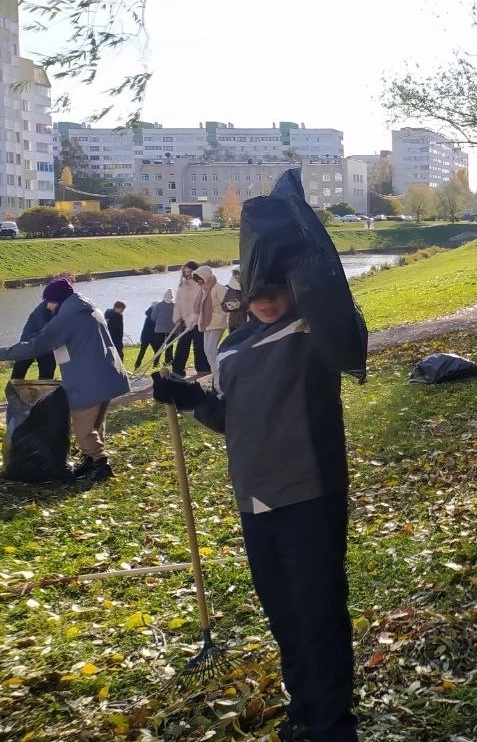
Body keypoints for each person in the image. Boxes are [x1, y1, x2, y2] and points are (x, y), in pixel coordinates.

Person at [153, 279, 359, 742]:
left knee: (318, 611)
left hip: (309, 494)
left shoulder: (313, 332)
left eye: (276, 289)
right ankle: (304, 711)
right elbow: (229, 416)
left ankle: (333, 727)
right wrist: (191, 398)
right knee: (283, 612)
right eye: (257, 291)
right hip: (255, 498)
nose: (266, 300)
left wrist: (314, 287)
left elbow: (348, 332)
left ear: (295, 287)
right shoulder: (231, 347)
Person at [0, 277, 130, 483]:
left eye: (50, 301)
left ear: (60, 300)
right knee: (95, 425)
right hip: (107, 374)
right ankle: (90, 462)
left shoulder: (67, 318)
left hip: (88, 380)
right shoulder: (88, 309)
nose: (48, 307)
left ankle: (100, 466)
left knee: (83, 429)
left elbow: (36, 346)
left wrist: (3, 353)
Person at [171, 262, 211, 377]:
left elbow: (201, 305)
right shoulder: (182, 286)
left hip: (198, 321)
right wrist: (178, 317)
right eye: (185, 272)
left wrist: (194, 320)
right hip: (184, 322)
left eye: (189, 272)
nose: (187, 274)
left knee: (199, 345)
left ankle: (203, 368)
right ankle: (177, 370)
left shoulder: (200, 286)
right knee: (182, 345)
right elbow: (178, 303)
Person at [193, 265, 229, 384]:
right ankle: (216, 373)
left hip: (217, 322)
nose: (199, 282)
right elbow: (199, 308)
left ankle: (220, 375)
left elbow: (226, 305)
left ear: (206, 277)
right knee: (207, 351)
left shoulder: (218, 288)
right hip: (206, 323)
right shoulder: (203, 291)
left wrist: (227, 320)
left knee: (211, 350)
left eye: (200, 279)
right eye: (197, 280)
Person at [11, 300, 57, 381]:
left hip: (46, 343)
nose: (49, 306)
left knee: (47, 371)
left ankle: (45, 388)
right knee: (19, 369)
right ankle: (13, 388)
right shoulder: (42, 311)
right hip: (30, 340)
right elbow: (47, 331)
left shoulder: (65, 306)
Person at [137, 289, 177, 370]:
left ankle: (139, 365)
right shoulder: (173, 306)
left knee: (151, 349)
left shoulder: (155, 309)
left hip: (152, 333)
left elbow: (153, 318)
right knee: (165, 348)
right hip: (163, 332)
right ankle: (162, 363)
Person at [222, 268, 248, 332]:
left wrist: (240, 305)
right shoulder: (231, 289)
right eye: (235, 278)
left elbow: (253, 302)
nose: (237, 280)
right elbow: (223, 306)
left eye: (239, 277)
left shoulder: (249, 288)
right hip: (233, 323)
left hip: (247, 322)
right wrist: (228, 306)